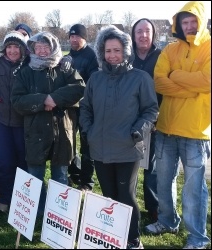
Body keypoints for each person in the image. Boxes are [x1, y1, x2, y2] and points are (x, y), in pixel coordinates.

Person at [80, 25, 158, 249]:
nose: (112, 55)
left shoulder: (140, 78)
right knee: (109, 195)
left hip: (128, 147)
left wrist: (137, 130)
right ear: (101, 52)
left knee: (126, 195)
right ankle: (114, 236)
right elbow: (85, 108)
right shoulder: (95, 79)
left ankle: (133, 239)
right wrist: (88, 130)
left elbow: (150, 110)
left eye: (116, 50)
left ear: (125, 51)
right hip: (100, 147)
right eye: (107, 51)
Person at [145, 2, 211, 249]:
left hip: (196, 131)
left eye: (193, 21)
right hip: (166, 127)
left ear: (202, 21)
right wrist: (191, 89)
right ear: (178, 25)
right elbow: (159, 82)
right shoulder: (169, 50)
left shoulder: (209, 48)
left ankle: (197, 237)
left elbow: (208, 81)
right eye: (185, 22)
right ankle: (167, 220)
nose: (190, 26)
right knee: (163, 181)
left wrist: (176, 76)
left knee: (194, 190)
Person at [11, 31, 85, 216]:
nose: (42, 50)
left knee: (60, 174)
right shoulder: (26, 72)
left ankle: (58, 214)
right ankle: (38, 211)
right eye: (38, 47)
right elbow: (17, 101)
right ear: (32, 49)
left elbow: (79, 88)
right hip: (35, 131)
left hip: (62, 130)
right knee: (35, 174)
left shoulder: (64, 68)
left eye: (46, 46)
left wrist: (55, 98)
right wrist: (44, 100)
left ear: (53, 47)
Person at [0, 30, 29, 213]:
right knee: (3, 161)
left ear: (23, 49)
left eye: (16, 47)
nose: (12, 51)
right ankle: (4, 197)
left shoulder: (30, 64)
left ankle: (23, 200)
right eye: (9, 47)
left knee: (23, 161)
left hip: (22, 121)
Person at [131, 18, 162, 222]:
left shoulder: (162, 56)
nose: (143, 35)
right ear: (133, 35)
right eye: (139, 31)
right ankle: (128, 206)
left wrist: (154, 120)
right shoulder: (127, 57)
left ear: (153, 34)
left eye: (147, 31)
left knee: (152, 169)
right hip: (130, 121)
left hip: (155, 122)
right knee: (130, 165)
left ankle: (153, 208)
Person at [66, 23, 99, 192]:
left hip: (87, 108)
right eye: (71, 36)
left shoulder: (92, 56)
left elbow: (93, 83)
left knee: (86, 146)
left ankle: (87, 182)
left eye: (77, 36)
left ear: (84, 38)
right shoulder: (68, 56)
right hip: (70, 107)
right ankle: (75, 174)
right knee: (68, 142)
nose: (74, 39)